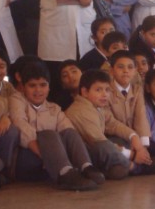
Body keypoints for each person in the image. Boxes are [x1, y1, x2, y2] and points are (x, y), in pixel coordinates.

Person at [9, 62, 105, 190]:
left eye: (43, 85)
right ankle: (65, 175)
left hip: (54, 160)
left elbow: (68, 130)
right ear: (23, 87)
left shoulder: (54, 108)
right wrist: (47, 155)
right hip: (27, 158)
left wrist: (56, 155)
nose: (38, 90)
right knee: (48, 134)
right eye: (32, 85)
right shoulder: (17, 100)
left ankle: (86, 166)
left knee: (69, 132)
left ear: (49, 87)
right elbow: (20, 124)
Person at [65, 69, 155, 178]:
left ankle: (117, 168)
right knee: (103, 146)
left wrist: (134, 136)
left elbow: (113, 124)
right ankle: (136, 167)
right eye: (98, 90)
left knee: (122, 140)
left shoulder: (95, 105)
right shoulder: (82, 111)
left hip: (99, 149)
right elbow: (99, 143)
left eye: (107, 90)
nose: (104, 94)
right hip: (85, 156)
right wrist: (132, 155)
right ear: (85, 92)